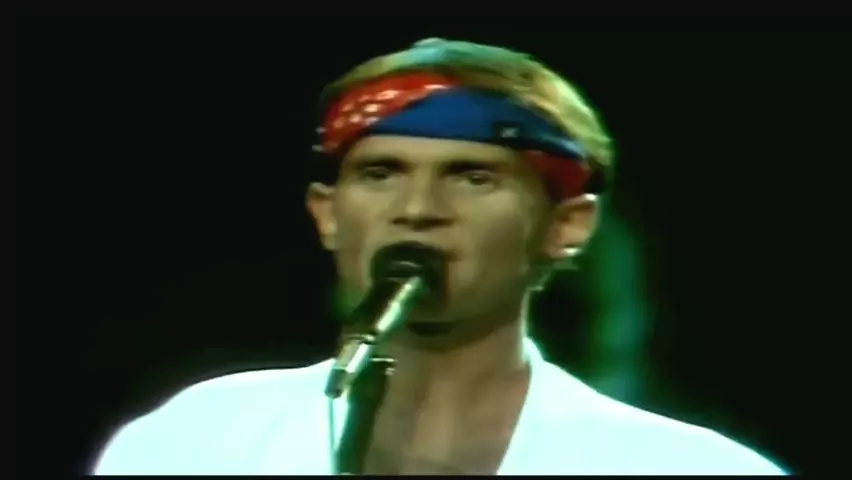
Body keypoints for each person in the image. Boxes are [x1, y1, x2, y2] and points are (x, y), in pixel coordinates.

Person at [92, 39, 786, 475]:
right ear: (327, 214)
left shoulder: (689, 467)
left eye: (473, 177)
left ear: (566, 225)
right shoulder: (197, 438)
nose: (418, 208)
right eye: (381, 173)